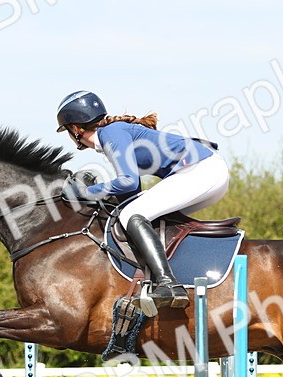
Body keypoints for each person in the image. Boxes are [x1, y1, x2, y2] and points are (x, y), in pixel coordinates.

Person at [55, 90, 229, 309]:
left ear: (75, 128)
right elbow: (132, 192)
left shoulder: (110, 133)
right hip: (206, 171)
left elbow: (126, 182)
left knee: (132, 215)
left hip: (201, 170)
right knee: (135, 214)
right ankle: (164, 276)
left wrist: (86, 192)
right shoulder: (114, 133)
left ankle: (167, 284)